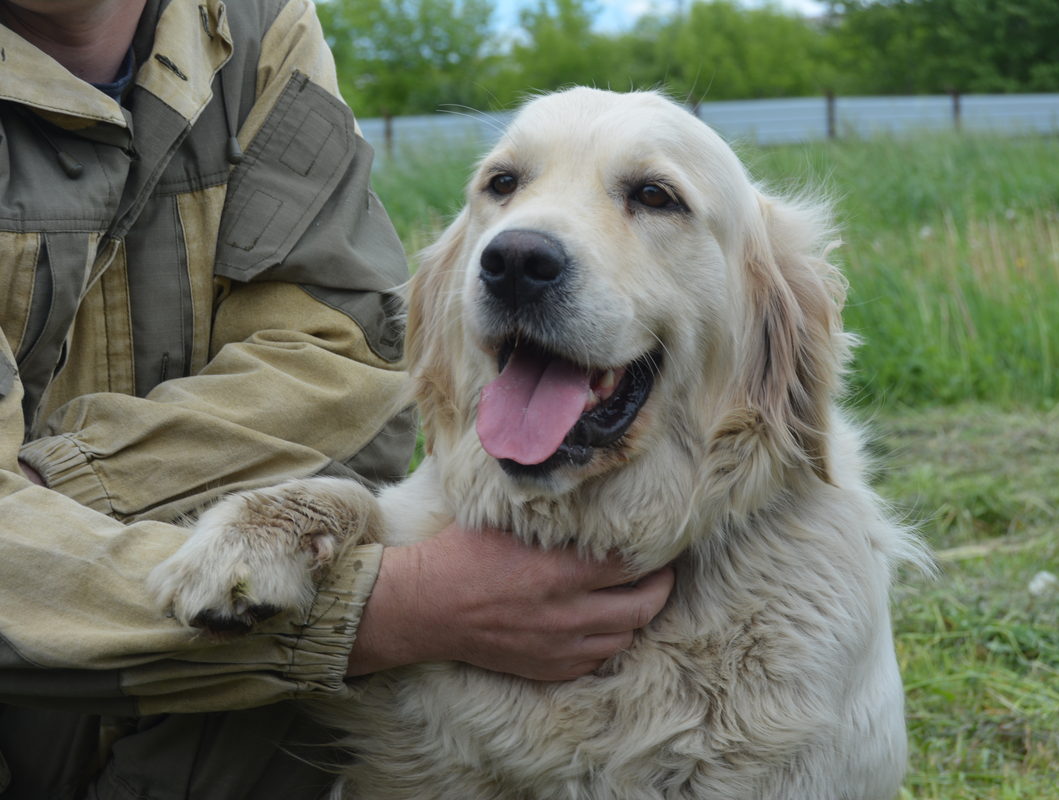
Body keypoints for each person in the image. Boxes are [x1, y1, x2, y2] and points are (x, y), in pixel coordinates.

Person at [0, 1, 674, 797]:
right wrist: (389, 609)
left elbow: (348, 357)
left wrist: (49, 499)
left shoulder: (259, 25)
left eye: (656, 198)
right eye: (504, 185)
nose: (523, 246)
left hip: (201, 705)